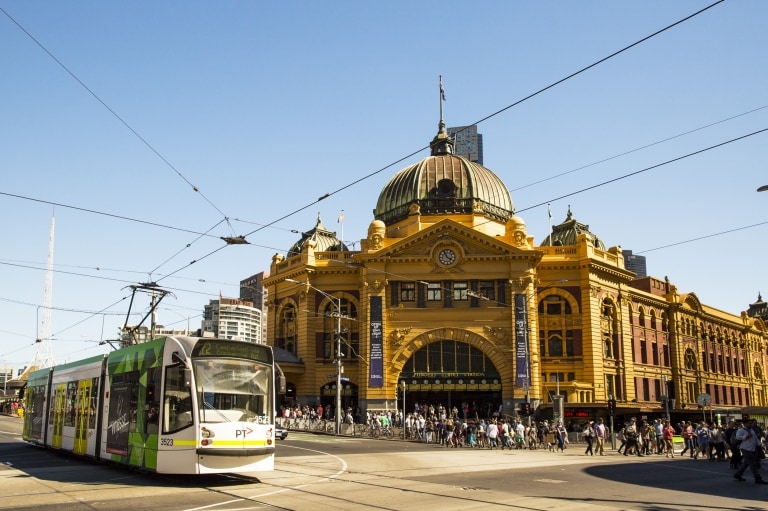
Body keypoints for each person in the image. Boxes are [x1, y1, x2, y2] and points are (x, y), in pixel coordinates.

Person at [733, 419, 767, 484]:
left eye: (751, 423)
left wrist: (760, 445)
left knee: (746, 463)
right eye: (750, 423)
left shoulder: (751, 430)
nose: (751, 424)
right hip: (745, 448)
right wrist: (746, 436)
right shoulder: (741, 430)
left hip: (751, 448)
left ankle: (738, 474)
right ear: (745, 424)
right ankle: (757, 478)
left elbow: (755, 438)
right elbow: (737, 437)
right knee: (752, 463)